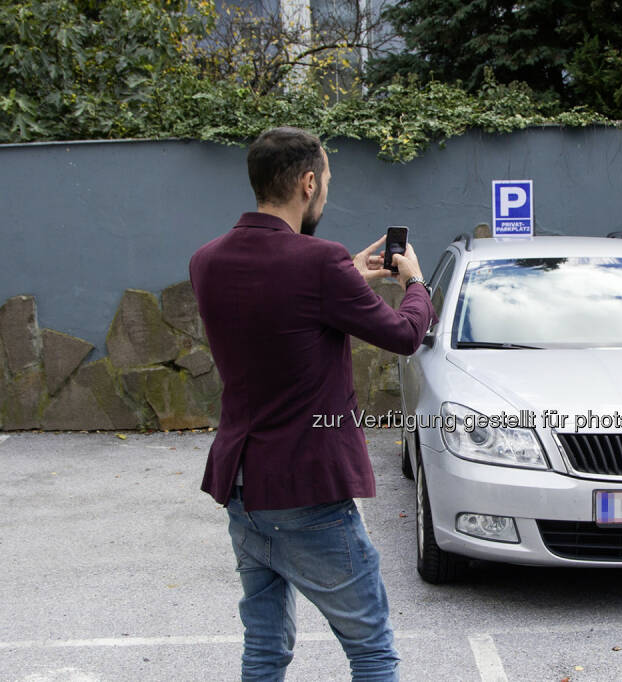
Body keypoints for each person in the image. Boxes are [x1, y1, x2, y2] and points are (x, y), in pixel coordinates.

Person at [189, 126, 435, 682]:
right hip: (308, 494)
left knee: (265, 648)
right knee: (371, 650)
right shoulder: (318, 264)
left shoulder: (206, 261)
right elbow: (402, 335)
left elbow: (275, 305)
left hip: (243, 488)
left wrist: (345, 274)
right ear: (306, 182)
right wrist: (415, 282)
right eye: (325, 180)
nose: (325, 190)